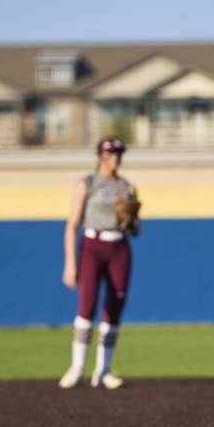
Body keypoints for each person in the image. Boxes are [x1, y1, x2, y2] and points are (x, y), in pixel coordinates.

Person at [58, 137, 140, 389]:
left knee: (114, 307)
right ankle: (77, 367)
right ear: (101, 156)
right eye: (110, 153)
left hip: (119, 247)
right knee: (87, 305)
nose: (115, 158)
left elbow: (136, 230)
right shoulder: (88, 183)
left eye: (118, 153)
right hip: (92, 245)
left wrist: (129, 217)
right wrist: (70, 263)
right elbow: (72, 225)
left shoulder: (128, 187)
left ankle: (103, 370)